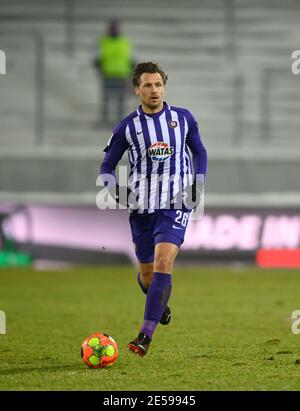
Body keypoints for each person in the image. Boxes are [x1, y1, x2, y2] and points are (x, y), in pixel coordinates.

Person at [99, 61, 207, 356]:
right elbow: (107, 166)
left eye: (158, 84)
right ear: (137, 90)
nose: (154, 90)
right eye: (147, 85)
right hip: (141, 208)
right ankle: (159, 300)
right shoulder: (127, 127)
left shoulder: (182, 119)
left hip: (175, 204)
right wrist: (115, 190)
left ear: (164, 87)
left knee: (163, 263)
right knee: (148, 275)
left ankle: (144, 335)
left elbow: (199, 151)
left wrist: (197, 185)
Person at [95, 20, 134, 126]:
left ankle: (119, 120)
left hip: (122, 75)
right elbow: (97, 59)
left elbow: (131, 60)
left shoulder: (125, 42)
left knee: (120, 99)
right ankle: (105, 120)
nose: (114, 30)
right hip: (108, 74)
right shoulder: (103, 42)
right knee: (106, 99)